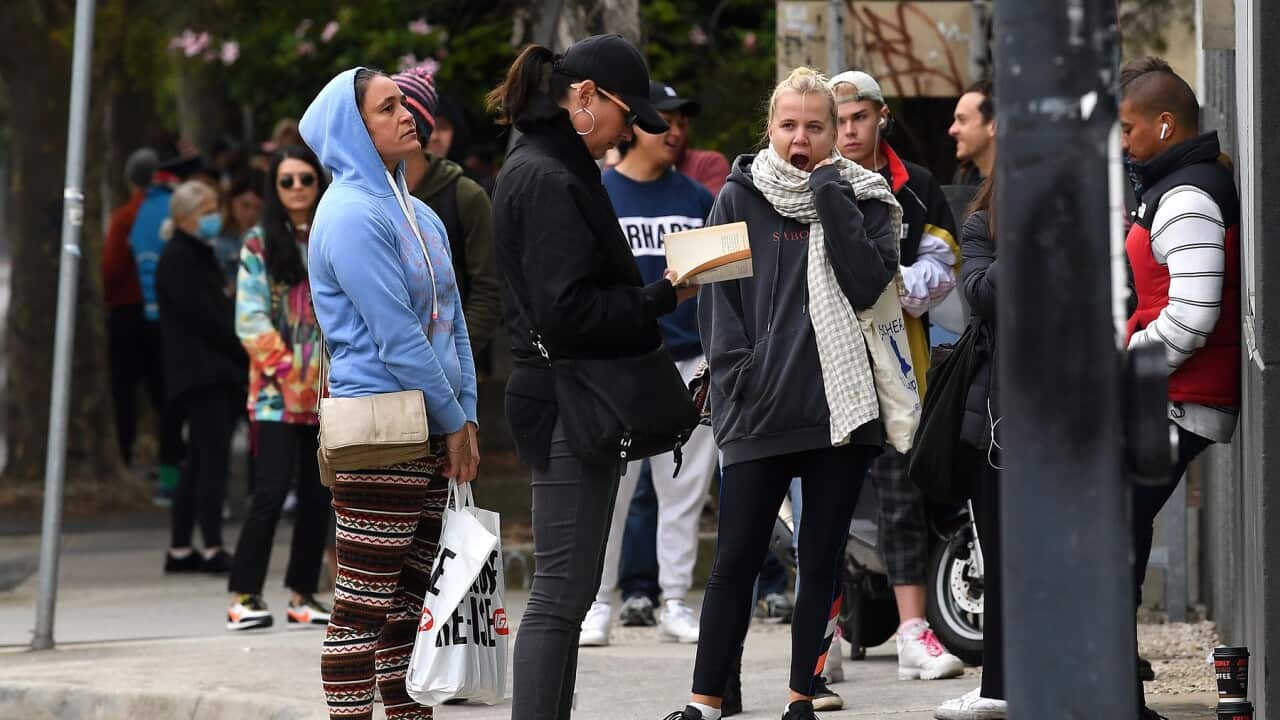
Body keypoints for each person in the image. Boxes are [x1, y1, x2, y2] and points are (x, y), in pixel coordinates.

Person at [666, 66, 899, 720]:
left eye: (816, 126)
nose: (801, 137)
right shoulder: (735, 197)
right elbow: (715, 307)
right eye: (789, 124)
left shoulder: (869, 198)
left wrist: (830, 191)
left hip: (841, 417)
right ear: (769, 127)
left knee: (820, 562)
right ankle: (705, 700)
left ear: (836, 133)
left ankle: (803, 694)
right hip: (755, 415)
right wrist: (743, 380)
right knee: (733, 561)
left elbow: (865, 284)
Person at [487, 35, 694, 719]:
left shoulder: (550, 163)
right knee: (559, 596)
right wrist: (661, 293)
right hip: (567, 394)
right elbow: (570, 311)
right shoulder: (547, 174)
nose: (629, 130)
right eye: (625, 113)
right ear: (582, 97)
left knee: (567, 594)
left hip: (569, 391)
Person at [301, 66, 479, 720]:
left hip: (430, 422)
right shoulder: (348, 215)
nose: (407, 114)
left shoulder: (422, 213)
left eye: (404, 102)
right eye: (386, 108)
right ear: (353, 130)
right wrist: (455, 419)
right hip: (379, 428)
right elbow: (399, 339)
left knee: (410, 607)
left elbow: (452, 318)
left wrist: (466, 419)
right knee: (362, 608)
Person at [828, 68, 964, 683]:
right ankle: (820, 635)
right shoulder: (810, 182)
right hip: (823, 369)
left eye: (858, 117)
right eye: (839, 119)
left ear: (881, 116)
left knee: (901, 496)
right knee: (818, 501)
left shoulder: (918, 186)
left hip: (898, 370)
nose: (847, 130)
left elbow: (942, 271)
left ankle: (913, 630)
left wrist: (881, 283)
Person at [577, 80, 719, 649]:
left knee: (685, 490)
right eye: (665, 120)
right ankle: (596, 603)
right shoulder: (599, 192)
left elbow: (719, 283)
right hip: (621, 366)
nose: (677, 131)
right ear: (633, 124)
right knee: (610, 494)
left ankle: (677, 600)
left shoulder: (696, 199)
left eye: (683, 120)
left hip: (690, 362)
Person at [1119, 57, 1240, 720]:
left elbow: (1192, 317)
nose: (1124, 141)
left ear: (1166, 125)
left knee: (1114, 530)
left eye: (1130, 127)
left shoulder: (1187, 195)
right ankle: (1119, 694)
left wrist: (1124, 363)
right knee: (1119, 531)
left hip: (1181, 398)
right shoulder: (1177, 184)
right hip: (1171, 393)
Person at [225, 146, 333, 632]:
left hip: (329, 394)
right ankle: (244, 595)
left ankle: (302, 593)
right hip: (273, 393)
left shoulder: (334, 234)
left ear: (318, 183)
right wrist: (288, 370)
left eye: (304, 179)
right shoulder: (258, 244)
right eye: (286, 181)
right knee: (269, 493)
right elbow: (249, 320)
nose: (296, 189)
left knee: (317, 496)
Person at [934, 174, 1006, 720]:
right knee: (1002, 554)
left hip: (1073, 409)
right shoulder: (986, 223)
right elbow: (980, 296)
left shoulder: (1090, 219)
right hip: (1000, 421)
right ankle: (1000, 686)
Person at [156, 180, 248, 575]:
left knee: (198, 462)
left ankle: (181, 547)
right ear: (183, 218)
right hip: (205, 374)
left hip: (201, 373)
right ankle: (211, 545)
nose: (214, 217)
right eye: (205, 210)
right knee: (211, 462)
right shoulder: (182, 259)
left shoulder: (191, 254)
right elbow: (210, 319)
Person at [393, 69, 503, 359]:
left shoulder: (466, 196)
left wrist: (453, 356)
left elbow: (489, 291)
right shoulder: (367, 201)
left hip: (455, 369)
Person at [103, 147, 161, 466]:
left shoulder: (125, 217)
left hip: (127, 310)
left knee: (123, 390)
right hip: (163, 315)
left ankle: (124, 456)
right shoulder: (169, 214)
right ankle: (171, 468)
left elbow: (110, 268)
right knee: (163, 391)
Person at [214, 171, 265, 291]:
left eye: (257, 208)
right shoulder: (216, 236)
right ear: (231, 202)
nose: (251, 214)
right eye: (245, 205)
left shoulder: (265, 237)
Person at [949, 79, 995, 187]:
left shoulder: (1020, 185)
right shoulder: (964, 176)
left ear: (993, 126)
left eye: (962, 120)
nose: (952, 130)